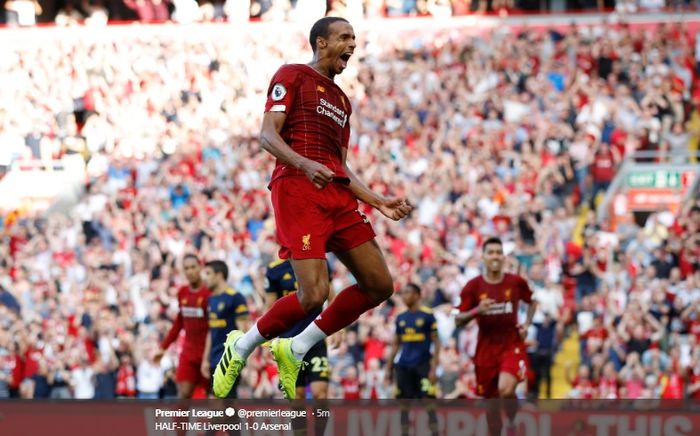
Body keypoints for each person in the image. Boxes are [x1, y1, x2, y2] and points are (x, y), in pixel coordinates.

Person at [212, 16, 412, 400]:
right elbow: (267, 135)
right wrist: (304, 164)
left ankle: (297, 347)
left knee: (379, 285)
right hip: (298, 189)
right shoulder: (293, 75)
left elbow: (341, 167)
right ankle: (239, 346)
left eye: (354, 38)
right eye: (344, 37)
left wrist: (378, 201)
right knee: (313, 294)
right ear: (321, 43)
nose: (352, 44)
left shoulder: (342, 102)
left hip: (335, 193)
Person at [455, 237, 537, 436]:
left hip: (512, 344)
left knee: (506, 390)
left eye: (498, 253)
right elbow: (458, 320)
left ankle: (511, 421)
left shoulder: (516, 282)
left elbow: (532, 301)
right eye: (490, 252)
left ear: (503, 257)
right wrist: (477, 311)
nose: (495, 256)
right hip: (485, 350)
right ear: (483, 257)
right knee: (491, 408)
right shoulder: (473, 287)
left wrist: (526, 325)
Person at [265, 257, 335, 435]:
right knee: (296, 398)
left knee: (320, 395)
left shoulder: (319, 261)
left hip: (316, 339)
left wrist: (338, 329)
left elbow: (332, 297)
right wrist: (267, 339)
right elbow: (270, 308)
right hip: (288, 343)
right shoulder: (275, 269)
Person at [386, 283, 440, 436]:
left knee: (429, 401)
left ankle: (435, 433)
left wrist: (434, 367)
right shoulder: (400, 318)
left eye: (408, 292)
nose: (404, 296)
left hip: (423, 365)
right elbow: (396, 343)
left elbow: (436, 342)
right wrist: (388, 368)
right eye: (402, 293)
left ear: (417, 295)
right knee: (404, 403)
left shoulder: (428, 315)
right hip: (403, 366)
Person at [156, 254, 210, 399]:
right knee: (183, 395)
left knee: (214, 397)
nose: (190, 271)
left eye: (193, 267)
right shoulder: (182, 293)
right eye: (186, 268)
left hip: (208, 353)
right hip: (188, 353)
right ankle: (180, 423)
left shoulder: (209, 293)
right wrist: (163, 348)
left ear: (200, 267)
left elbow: (213, 326)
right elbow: (179, 322)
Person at [201, 260, 249, 398]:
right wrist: (205, 359)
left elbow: (243, 333)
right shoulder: (210, 299)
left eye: (208, 273)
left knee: (219, 404)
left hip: (229, 359)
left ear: (219, 275)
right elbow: (211, 331)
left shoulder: (235, 297)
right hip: (214, 358)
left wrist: (245, 362)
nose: (205, 277)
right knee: (221, 406)